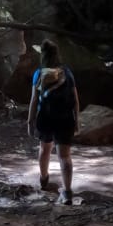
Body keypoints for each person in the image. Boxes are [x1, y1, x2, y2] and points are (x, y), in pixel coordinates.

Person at [27, 38, 80, 204]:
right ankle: (67, 192)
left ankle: (44, 179)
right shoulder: (67, 73)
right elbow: (76, 100)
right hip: (65, 118)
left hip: (46, 117)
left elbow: (34, 100)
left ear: (42, 55)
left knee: (44, 149)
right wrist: (77, 120)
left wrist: (30, 121)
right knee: (64, 156)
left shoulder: (39, 74)